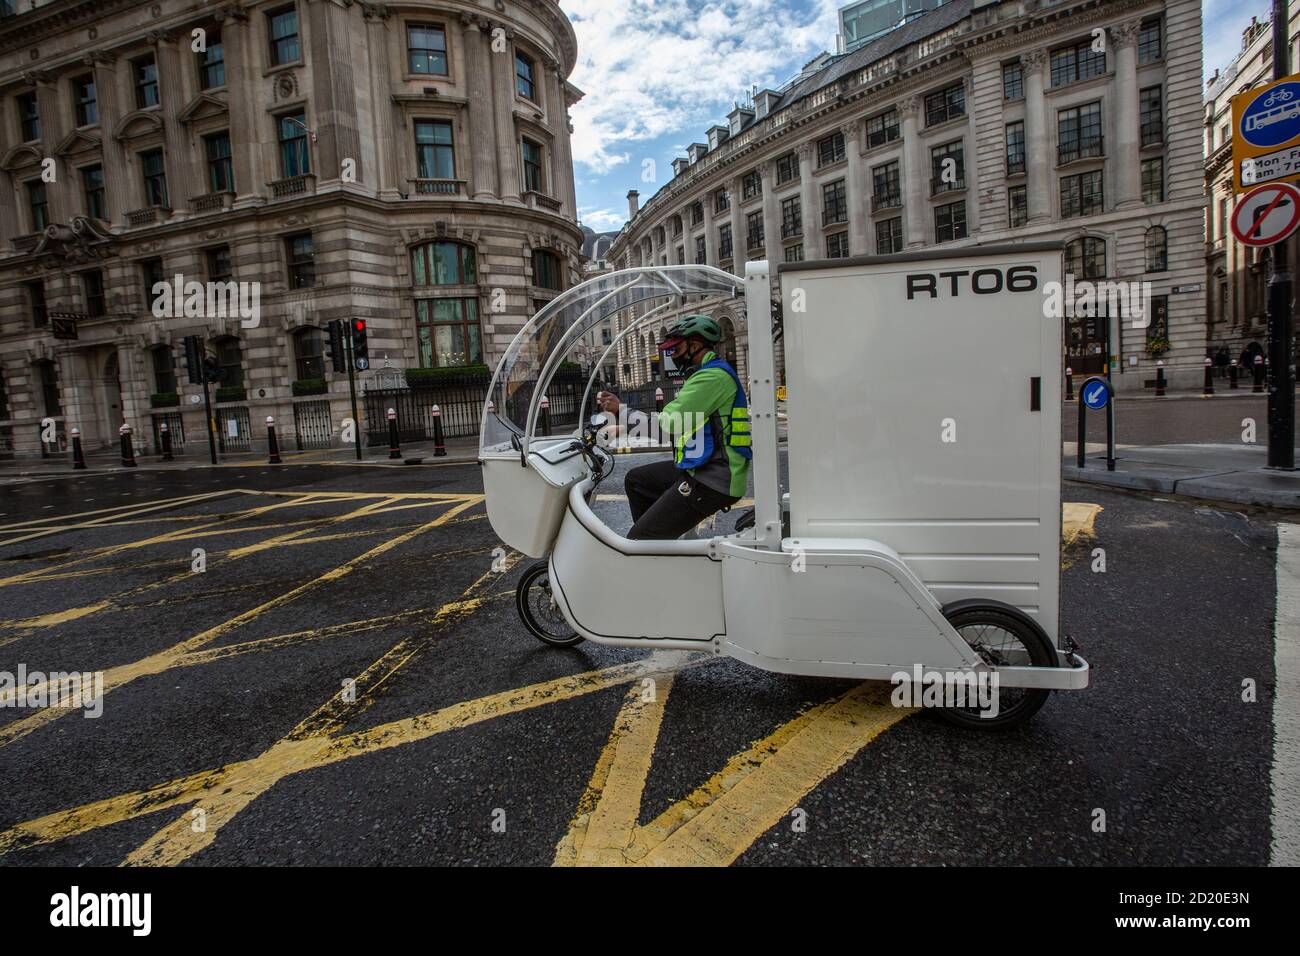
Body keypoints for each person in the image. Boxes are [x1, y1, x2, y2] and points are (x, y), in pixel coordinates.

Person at [596, 315, 751, 540]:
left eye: (675, 350)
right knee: (637, 480)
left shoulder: (712, 378)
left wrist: (621, 412)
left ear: (695, 346)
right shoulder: (705, 375)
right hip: (704, 466)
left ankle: (649, 545)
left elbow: (667, 426)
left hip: (715, 478)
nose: (671, 356)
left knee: (640, 539)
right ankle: (660, 545)